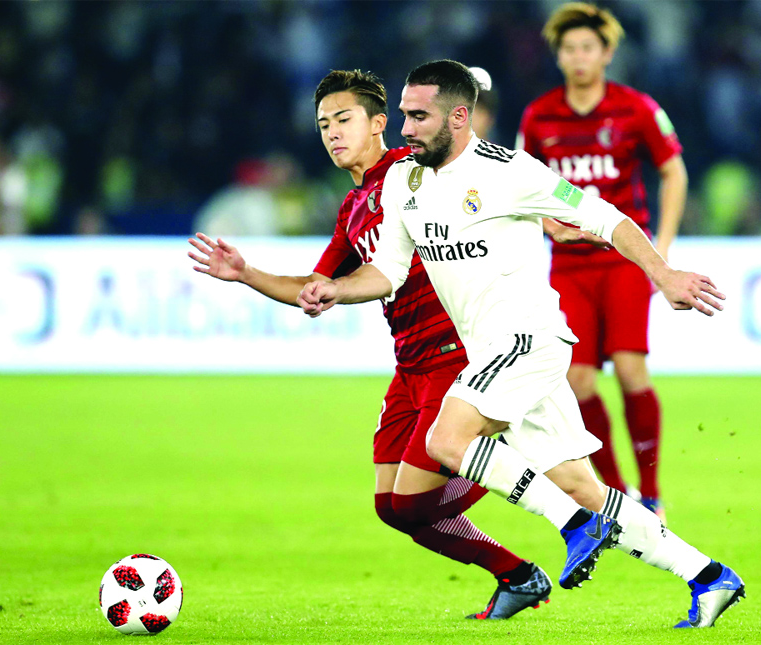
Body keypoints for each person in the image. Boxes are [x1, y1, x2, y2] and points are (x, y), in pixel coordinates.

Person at [299, 60, 745, 629]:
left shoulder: (508, 170)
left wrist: (664, 274)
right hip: (494, 355)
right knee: (584, 484)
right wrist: (335, 288)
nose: (405, 130)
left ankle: (572, 527)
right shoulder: (405, 184)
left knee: (447, 437)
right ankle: (709, 577)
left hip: (527, 341)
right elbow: (385, 273)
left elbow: (604, 218)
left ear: (458, 118)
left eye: (418, 117)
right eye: (405, 116)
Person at [188, 69, 553, 620]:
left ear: (380, 123)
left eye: (343, 120)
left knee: (413, 501)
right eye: (323, 125)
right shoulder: (352, 208)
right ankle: (519, 574)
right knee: (392, 508)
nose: (332, 133)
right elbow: (318, 288)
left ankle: (523, 460)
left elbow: (480, 182)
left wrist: (549, 216)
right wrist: (247, 274)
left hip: (457, 358)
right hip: (409, 368)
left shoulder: (413, 175)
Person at [517, 3, 689, 522]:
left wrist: (661, 249)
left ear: (607, 53)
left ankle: (653, 491)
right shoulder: (539, 115)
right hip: (569, 266)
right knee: (580, 383)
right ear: (559, 55)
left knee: (633, 369)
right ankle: (617, 495)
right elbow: (521, 189)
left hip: (622, 261)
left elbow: (674, 172)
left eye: (587, 48)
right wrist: (549, 226)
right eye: (569, 49)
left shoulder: (636, 108)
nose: (578, 57)